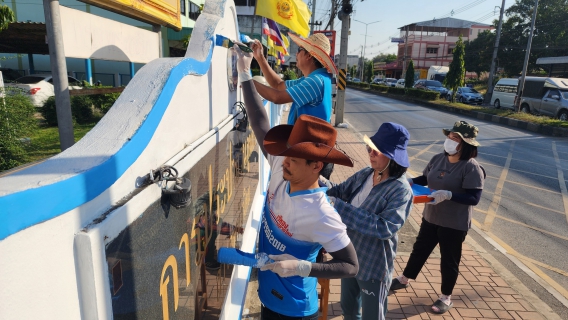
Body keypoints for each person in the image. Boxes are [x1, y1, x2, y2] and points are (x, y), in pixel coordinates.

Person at [234, 44, 359, 320]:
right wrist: (245, 72)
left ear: (316, 165)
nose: (284, 160)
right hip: (267, 298)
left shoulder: (321, 214)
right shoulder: (282, 164)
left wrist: (304, 266)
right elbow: (258, 119)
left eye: (295, 157)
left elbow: (350, 266)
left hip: (296, 311)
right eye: (287, 152)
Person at [390, 120, 485, 314]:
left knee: (449, 260)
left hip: (454, 223)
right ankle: (405, 278)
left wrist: (450, 195)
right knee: (420, 250)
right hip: (431, 216)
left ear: (465, 144)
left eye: (455, 138)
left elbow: (474, 198)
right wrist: (408, 181)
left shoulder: (471, 168)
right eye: (449, 136)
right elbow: (425, 179)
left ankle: (446, 297)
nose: (450, 140)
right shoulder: (437, 159)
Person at [325, 123, 413, 320]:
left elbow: (385, 227)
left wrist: (339, 206)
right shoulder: (366, 173)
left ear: (393, 157)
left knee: (372, 316)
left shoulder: (401, 190)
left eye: (377, 151)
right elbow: (339, 191)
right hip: (350, 256)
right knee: (348, 309)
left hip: (374, 264)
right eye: (370, 148)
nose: (371, 154)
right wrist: (317, 180)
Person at [249, 33, 337, 125]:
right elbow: (278, 84)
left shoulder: (315, 81)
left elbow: (277, 97)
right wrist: (260, 58)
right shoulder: (317, 78)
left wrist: (249, 82)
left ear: (309, 56)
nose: (296, 53)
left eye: (300, 50)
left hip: (305, 139)